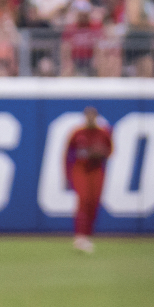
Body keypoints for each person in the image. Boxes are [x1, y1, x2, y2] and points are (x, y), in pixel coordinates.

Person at [62, 107, 111, 252]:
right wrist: (67, 175)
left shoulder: (103, 132)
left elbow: (110, 150)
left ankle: (88, 235)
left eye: (92, 116)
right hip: (81, 169)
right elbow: (68, 154)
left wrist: (99, 153)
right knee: (83, 199)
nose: (90, 118)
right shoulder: (77, 132)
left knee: (94, 201)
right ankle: (80, 236)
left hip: (96, 169)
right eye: (88, 116)